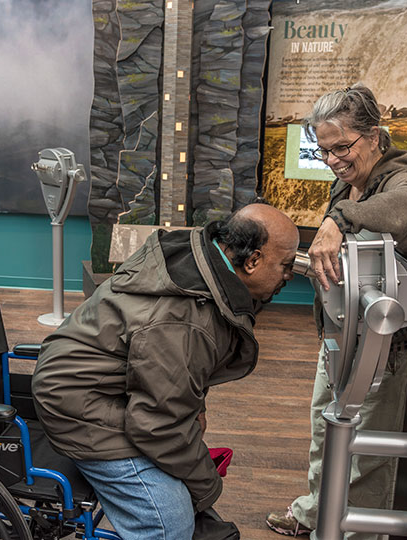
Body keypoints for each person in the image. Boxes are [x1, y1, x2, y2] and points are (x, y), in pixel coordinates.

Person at [32, 203, 299, 540]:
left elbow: (171, 376)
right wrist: (206, 483)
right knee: (167, 523)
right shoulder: (185, 317)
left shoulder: (198, 262)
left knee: (183, 472)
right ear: (252, 261)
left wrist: (195, 408)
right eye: (286, 265)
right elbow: (157, 425)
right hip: (78, 405)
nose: (289, 276)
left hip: (102, 387)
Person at [265, 84, 407, 538]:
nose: (333, 159)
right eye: (324, 150)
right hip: (339, 334)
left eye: (342, 147)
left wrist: (338, 219)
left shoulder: (403, 178)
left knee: (367, 454)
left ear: (374, 137)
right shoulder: (349, 180)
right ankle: (314, 514)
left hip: (382, 346)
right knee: (325, 429)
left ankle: (357, 533)